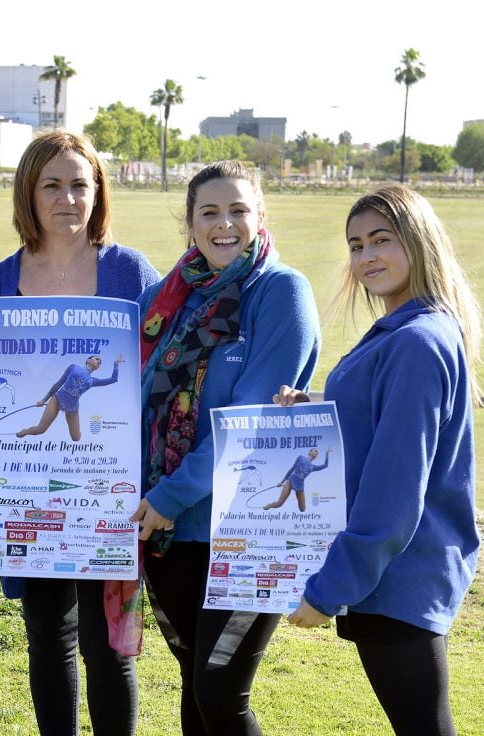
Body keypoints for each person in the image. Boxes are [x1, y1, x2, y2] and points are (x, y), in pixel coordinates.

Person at [0, 130, 159, 736]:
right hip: (25, 500)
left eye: (80, 185)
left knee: (109, 646)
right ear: (28, 195)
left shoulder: (132, 272)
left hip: (109, 495)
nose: (67, 199)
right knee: (50, 640)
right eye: (52, 186)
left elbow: (170, 361)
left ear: (99, 193)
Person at [278, 183, 479, 736]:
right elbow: (379, 414)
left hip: (396, 577)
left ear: (418, 242)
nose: (366, 257)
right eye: (356, 245)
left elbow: (394, 494)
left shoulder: (416, 340)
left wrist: (328, 590)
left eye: (382, 241)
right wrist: (315, 404)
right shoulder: (408, 327)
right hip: (393, 576)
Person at [128, 160, 319, 736]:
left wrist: (170, 493)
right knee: (195, 683)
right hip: (167, 532)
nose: (225, 224)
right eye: (209, 212)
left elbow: (253, 422)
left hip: (247, 530)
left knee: (220, 691)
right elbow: (112, 386)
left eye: (238, 209)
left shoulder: (280, 291)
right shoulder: (165, 297)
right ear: (190, 222)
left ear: (260, 215)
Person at [17, 354, 125, 440]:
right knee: (40, 430)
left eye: (100, 362)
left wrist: (116, 364)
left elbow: (113, 380)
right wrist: (44, 399)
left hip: (72, 408)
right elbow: (59, 383)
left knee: (76, 438)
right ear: (88, 360)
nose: (99, 361)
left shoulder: (92, 381)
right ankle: (25, 431)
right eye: (97, 358)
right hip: (57, 400)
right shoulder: (74, 367)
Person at [263, 445, 331, 511]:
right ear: (310, 452)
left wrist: (327, 453)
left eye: (317, 453)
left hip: (300, 486)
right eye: (315, 451)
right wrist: (282, 482)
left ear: (316, 457)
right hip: (290, 481)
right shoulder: (301, 458)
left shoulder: (313, 467)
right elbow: (291, 469)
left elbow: (325, 465)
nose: (316, 453)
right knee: (279, 503)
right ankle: (269, 505)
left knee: (302, 509)